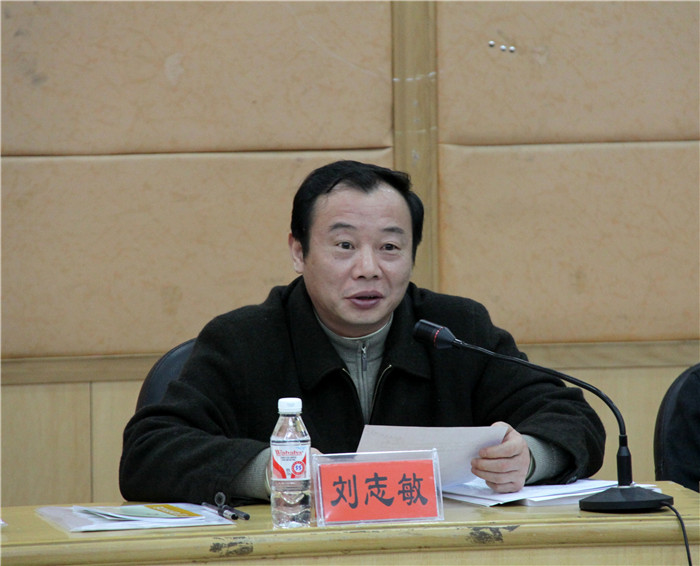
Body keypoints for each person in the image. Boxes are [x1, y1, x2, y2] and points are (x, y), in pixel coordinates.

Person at [120, 160, 605, 506]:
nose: (368, 268)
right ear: (298, 251)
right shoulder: (244, 340)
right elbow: (149, 452)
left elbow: (572, 418)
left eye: (390, 247)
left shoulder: (455, 330)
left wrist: (530, 458)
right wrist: (273, 471)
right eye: (344, 245)